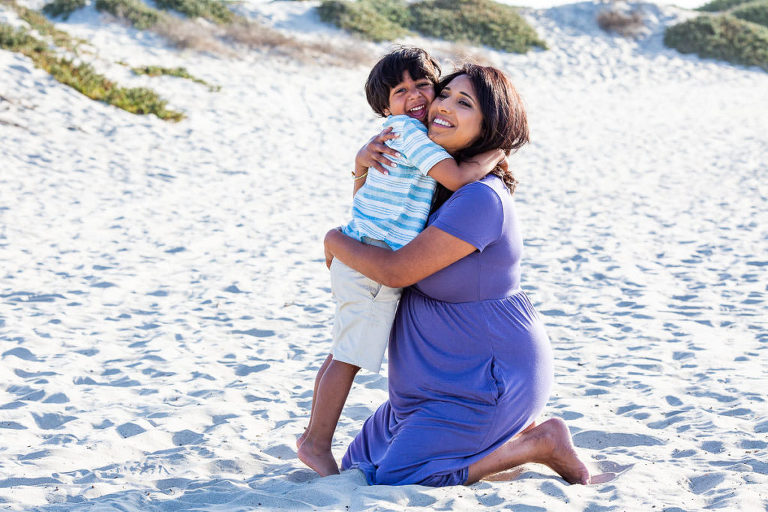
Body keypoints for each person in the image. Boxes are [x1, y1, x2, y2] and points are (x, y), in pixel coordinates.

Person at [323, 63, 591, 486]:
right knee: (358, 468)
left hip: (482, 384)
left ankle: (537, 444)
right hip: (420, 395)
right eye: (444, 94)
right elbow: (374, 230)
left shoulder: (480, 198)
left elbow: (393, 270)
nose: (440, 106)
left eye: (463, 103)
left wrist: (333, 241)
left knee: (400, 478)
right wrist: (361, 168)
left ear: (490, 125)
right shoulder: (432, 183)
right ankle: (494, 441)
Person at [297, 48, 504, 477]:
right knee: (348, 357)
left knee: (341, 350)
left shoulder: (411, 134)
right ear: (383, 105)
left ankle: (312, 437)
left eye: (422, 85)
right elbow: (457, 178)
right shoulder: (409, 134)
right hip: (372, 255)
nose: (414, 96)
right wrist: (494, 155)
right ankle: (316, 442)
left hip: (364, 246)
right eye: (399, 91)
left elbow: (374, 196)